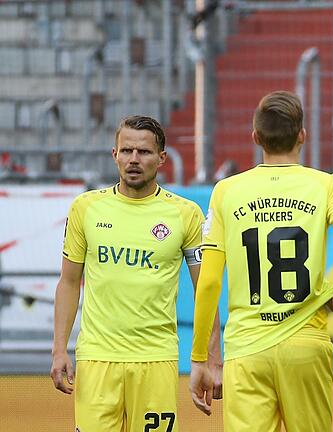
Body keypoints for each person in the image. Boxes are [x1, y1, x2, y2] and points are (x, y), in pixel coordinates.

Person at [188, 90, 333, 431]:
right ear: (302, 135)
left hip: (247, 349)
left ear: (256, 137)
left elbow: (210, 282)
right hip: (306, 343)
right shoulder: (326, 185)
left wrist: (200, 357)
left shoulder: (226, 190)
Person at [50, 115, 223, 432]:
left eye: (143, 152)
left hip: (156, 359)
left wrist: (213, 359)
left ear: (161, 159)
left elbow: (205, 291)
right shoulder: (85, 208)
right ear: (114, 154)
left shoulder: (185, 214)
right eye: (126, 150)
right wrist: (59, 349)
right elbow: (69, 281)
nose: (133, 159)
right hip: (97, 359)